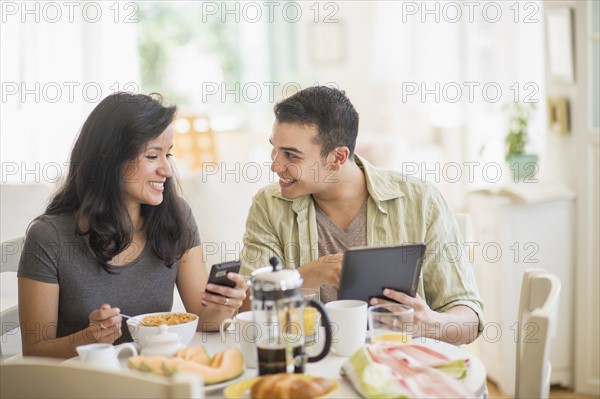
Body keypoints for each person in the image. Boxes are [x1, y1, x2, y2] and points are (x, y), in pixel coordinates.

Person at [240, 86, 483, 345]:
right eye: (274, 149)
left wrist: (428, 323)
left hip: (397, 367)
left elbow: (469, 321)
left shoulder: (421, 201)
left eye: (290, 155)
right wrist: (311, 273)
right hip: (309, 368)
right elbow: (245, 313)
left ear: (338, 157)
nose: (275, 165)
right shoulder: (269, 205)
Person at [18, 92, 247, 359]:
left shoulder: (177, 216)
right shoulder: (49, 236)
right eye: (152, 156)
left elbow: (203, 318)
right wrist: (89, 338)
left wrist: (225, 303)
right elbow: (35, 349)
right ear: (110, 159)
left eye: (168, 155)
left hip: (153, 374)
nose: (167, 170)